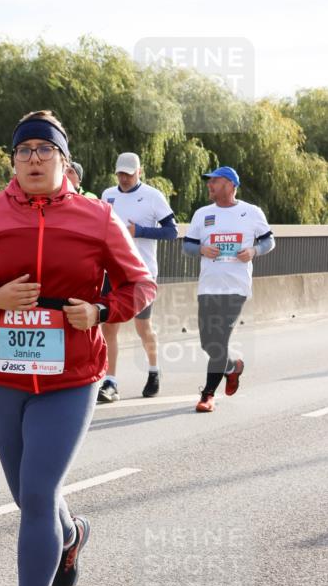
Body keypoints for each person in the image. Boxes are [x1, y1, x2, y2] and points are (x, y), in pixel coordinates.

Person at [0, 110, 155, 586]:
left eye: (45, 149)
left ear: (64, 160)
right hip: (5, 377)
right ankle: (71, 534)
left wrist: (103, 308)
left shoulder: (99, 217)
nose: (34, 158)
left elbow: (141, 284)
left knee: (36, 493)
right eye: (24, 150)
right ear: (13, 161)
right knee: (27, 494)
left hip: (71, 377)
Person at [182, 166, 275, 412]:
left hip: (236, 287)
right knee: (207, 343)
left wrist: (254, 251)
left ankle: (207, 395)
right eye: (209, 181)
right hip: (208, 286)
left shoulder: (251, 212)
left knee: (219, 340)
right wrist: (202, 249)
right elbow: (188, 246)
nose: (209, 185)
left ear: (231, 184)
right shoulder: (202, 214)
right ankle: (232, 366)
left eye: (215, 181)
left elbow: (269, 240)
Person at [98, 152, 177, 402]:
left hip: (141, 273)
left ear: (139, 172)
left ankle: (154, 371)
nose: (124, 178)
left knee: (143, 327)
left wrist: (138, 231)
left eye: (129, 174)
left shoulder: (153, 196)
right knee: (109, 326)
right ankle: (110, 382)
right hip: (113, 272)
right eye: (120, 173)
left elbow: (172, 232)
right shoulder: (107, 195)